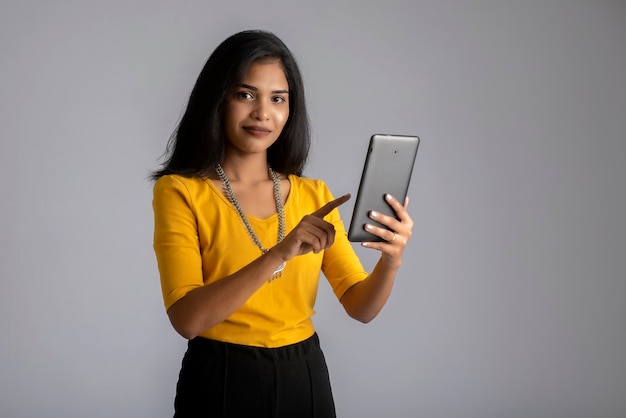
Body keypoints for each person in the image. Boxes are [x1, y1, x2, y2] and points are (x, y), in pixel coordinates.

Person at [151, 29, 413, 418]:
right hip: (220, 377)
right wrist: (281, 252)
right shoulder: (181, 191)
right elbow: (187, 320)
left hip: (303, 375)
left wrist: (391, 260)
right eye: (245, 95)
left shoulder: (314, 196)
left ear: (291, 110)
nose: (263, 113)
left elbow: (360, 306)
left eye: (278, 99)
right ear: (217, 98)